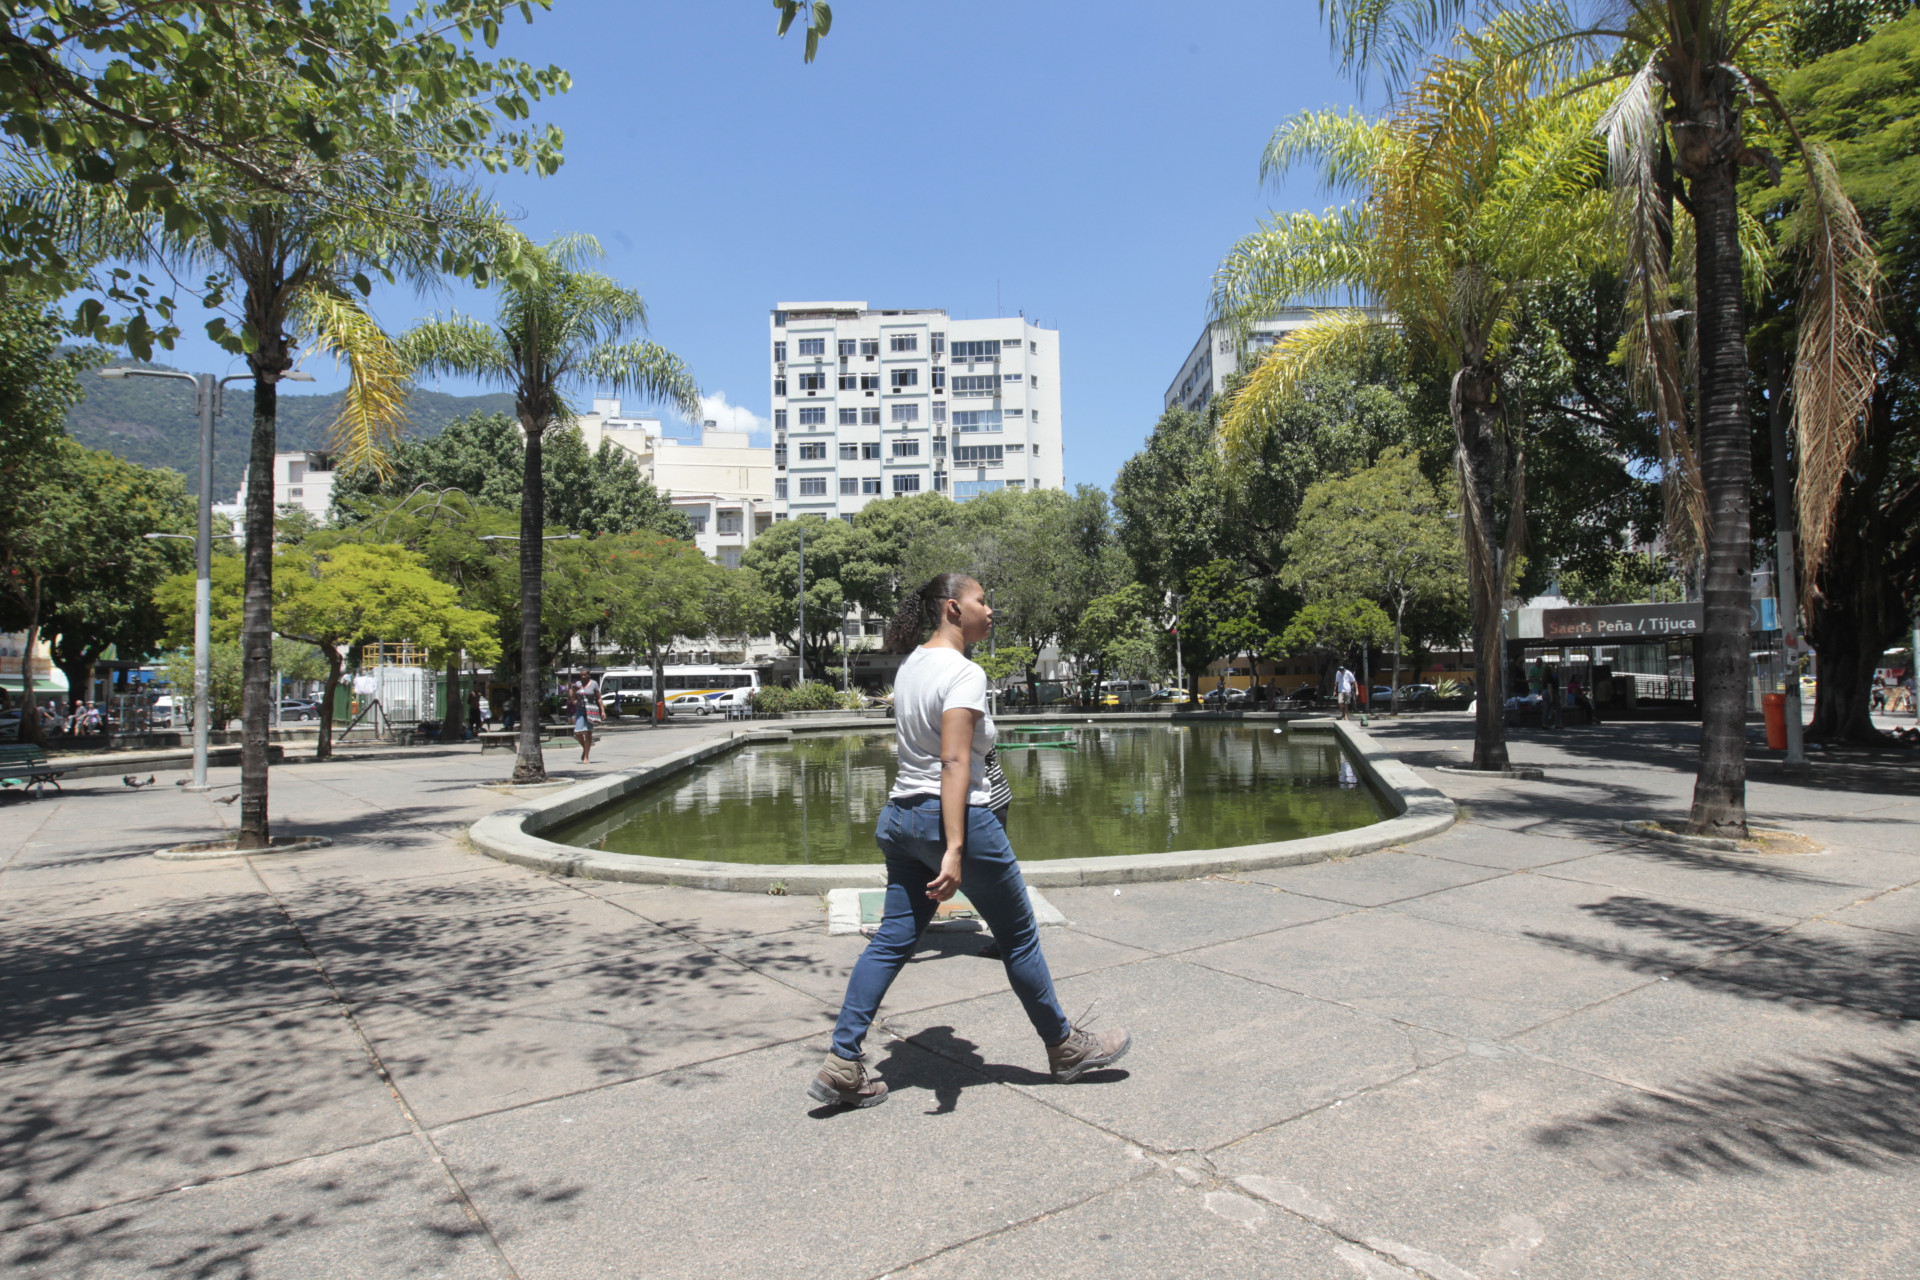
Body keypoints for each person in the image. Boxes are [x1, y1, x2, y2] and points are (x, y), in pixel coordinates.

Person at [810, 572, 1131, 1109]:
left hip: (900, 816)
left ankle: (843, 1060)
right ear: (953, 608)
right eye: (983, 601)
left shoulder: (910, 665)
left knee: (893, 938)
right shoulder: (963, 672)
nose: (990, 610)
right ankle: (1065, 1047)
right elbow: (955, 759)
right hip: (956, 819)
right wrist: (955, 847)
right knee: (1019, 935)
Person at [567, 678, 593, 763]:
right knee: (578, 733)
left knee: (588, 732)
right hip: (579, 712)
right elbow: (574, 702)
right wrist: (573, 693)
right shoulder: (574, 692)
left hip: (589, 710)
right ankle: (585, 748)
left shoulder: (590, 687)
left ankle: (586, 756)